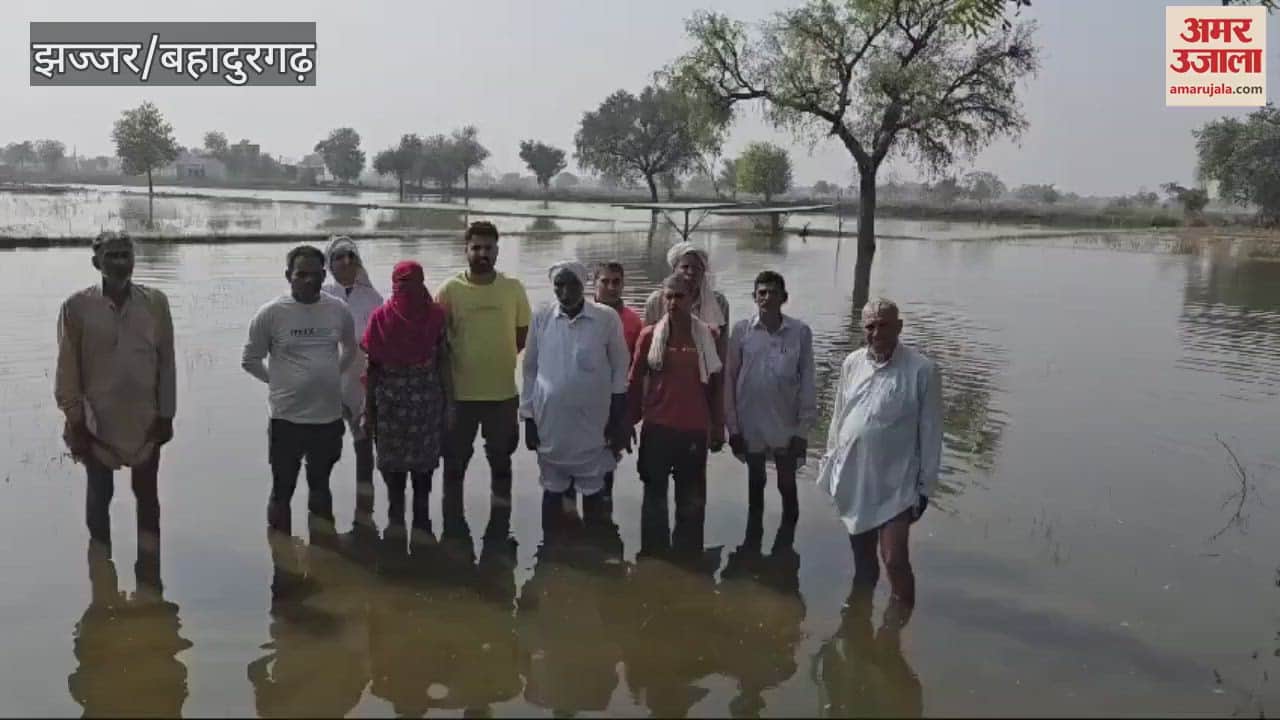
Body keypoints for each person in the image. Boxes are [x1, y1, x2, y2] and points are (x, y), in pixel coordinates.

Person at [55, 230, 176, 590]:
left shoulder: (156, 302)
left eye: (126, 254)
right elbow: (67, 369)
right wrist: (75, 422)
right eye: (112, 256)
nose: (121, 262)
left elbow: (166, 363)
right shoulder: (76, 307)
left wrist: (166, 415)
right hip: (97, 421)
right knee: (99, 495)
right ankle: (102, 572)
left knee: (148, 497)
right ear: (97, 263)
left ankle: (150, 577)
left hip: (145, 417)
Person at [816, 298, 942, 610]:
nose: (877, 333)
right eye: (870, 326)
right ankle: (859, 619)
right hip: (855, 475)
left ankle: (899, 621)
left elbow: (931, 433)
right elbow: (839, 416)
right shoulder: (852, 363)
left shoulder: (922, 370)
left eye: (884, 325)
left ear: (899, 326)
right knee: (863, 559)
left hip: (898, 483)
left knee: (894, 559)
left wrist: (925, 488)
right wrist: (830, 463)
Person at [242, 245, 357, 535]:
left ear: (323, 275)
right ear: (288, 276)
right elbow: (250, 360)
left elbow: (351, 349)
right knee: (282, 490)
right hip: (286, 419)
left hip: (327, 418)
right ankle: (282, 562)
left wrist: (332, 375)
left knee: (321, 488)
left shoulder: (338, 309)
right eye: (301, 274)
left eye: (315, 274)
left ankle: (325, 556)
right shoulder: (270, 313)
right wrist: (278, 383)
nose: (308, 280)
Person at [520, 261, 630, 529]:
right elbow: (530, 368)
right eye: (559, 285)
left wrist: (617, 419)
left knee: (595, 492)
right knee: (553, 490)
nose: (566, 292)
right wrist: (529, 418)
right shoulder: (542, 316)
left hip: (593, 426)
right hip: (551, 424)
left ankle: (595, 556)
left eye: (573, 285)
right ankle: (554, 555)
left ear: (584, 286)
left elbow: (619, 368)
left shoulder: (606, 318)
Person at [437, 221, 532, 522]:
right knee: (454, 464)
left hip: (502, 395)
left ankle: (501, 527)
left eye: (488, 248)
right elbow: (438, 341)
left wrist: (495, 357)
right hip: (459, 397)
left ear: (497, 250)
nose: (482, 253)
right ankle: (453, 529)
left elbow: (522, 336)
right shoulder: (449, 290)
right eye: (475, 247)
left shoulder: (513, 288)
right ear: (465, 249)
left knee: (501, 462)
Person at [628, 274, 725, 558]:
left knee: (692, 503)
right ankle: (654, 561)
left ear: (693, 299)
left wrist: (718, 426)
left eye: (679, 297)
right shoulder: (649, 336)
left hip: (693, 430)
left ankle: (689, 560)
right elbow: (634, 382)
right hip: (657, 428)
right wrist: (627, 423)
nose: (672, 303)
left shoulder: (708, 336)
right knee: (654, 501)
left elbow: (716, 385)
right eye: (667, 297)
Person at [725, 271, 816, 547]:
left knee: (787, 485)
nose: (767, 297)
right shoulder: (742, 331)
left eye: (773, 292)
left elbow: (808, 380)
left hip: (786, 422)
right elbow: (729, 378)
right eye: (761, 293)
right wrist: (733, 427)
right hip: (751, 420)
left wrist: (803, 429)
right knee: (756, 483)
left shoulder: (799, 332)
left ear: (784, 298)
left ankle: (787, 546)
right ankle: (753, 548)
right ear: (754, 297)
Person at [361, 261, 449, 544]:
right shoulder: (380, 319)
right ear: (393, 284)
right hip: (390, 406)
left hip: (426, 404)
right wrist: (368, 411)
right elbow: (372, 369)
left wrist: (452, 404)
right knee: (393, 480)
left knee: (423, 480)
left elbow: (444, 360)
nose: (406, 289)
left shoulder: (436, 317)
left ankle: (422, 539)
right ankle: (396, 529)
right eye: (400, 282)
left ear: (422, 283)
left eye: (412, 282)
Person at [321, 236, 384, 524]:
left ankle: (364, 512)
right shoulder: (319, 296)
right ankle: (321, 513)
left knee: (363, 449)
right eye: (339, 256)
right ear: (329, 263)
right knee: (323, 451)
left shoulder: (373, 299)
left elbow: (380, 346)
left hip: (361, 385)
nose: (346, 261)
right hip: (325, 387)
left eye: (351, 256)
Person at [643, 242, 730, 357]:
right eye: (685, 267)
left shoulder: (719, 302)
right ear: (674, 270)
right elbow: (646, 341)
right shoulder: (656, 301)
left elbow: (723, 346)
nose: (691, 272)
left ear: (703, 271)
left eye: (696, 268)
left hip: (707, 368)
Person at [593, 261, 643, 355]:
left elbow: (638, 362)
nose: (611, 287)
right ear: (594, 283)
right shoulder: (581, 317)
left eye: (616, 282)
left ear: (623, 284)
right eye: (605, 281)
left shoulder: (634, 321)